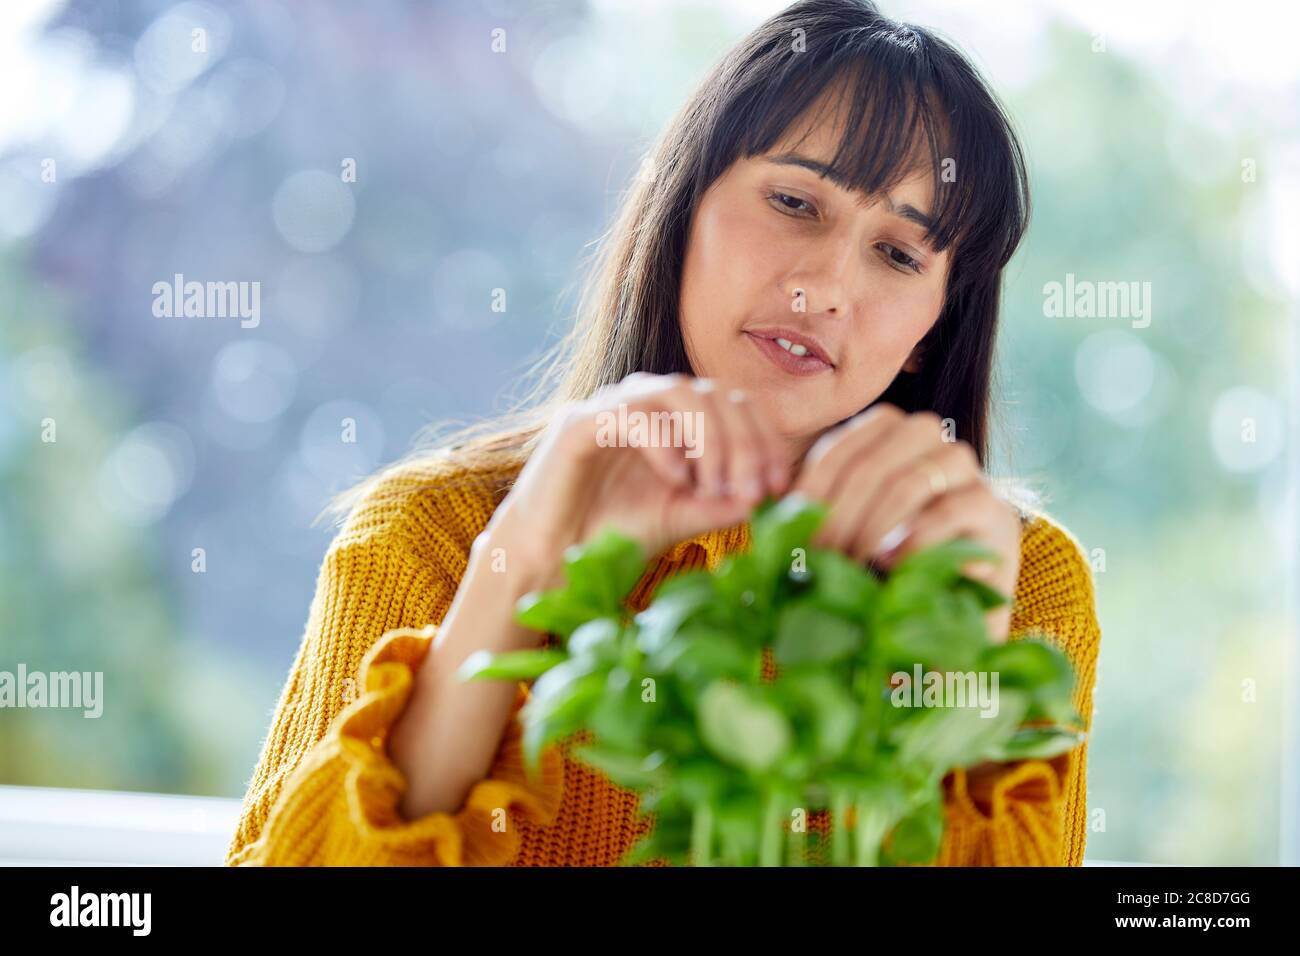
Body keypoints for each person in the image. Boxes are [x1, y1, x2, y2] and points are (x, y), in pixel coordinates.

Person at [225, 0, 1101, 867]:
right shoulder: (429, 535)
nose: (826, 285)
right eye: (795, 200)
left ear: (932, 332)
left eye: (900, 255)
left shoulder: (1015, 587)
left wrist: (956, 655)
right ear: (680, 211)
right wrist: (520, 566)